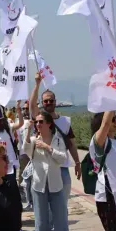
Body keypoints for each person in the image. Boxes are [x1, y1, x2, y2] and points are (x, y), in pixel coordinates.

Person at [23, 111, 73, 231]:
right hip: (39, 184)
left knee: (61, 217)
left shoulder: (57, 139)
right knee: (41, 219)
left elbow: (62, 159)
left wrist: (48, 148)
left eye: (41, 122)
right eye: (37, 122)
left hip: (56, 184)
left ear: (49, 124)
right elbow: (26, 150)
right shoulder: (33, 139)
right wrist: (27, 130)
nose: (38, 124)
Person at [29, 74, 81, 209]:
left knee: (62, 202)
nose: (48, 103)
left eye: (50, 100)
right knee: (45, 205)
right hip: (44, 167)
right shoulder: (39, 120)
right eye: (45, 101)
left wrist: (77, 162)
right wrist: (37, 84)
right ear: (42, 103)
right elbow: (32, 104)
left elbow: (71, 144)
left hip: (62, 165)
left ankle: (58, 225)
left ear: (55, 102)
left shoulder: (65, 121)